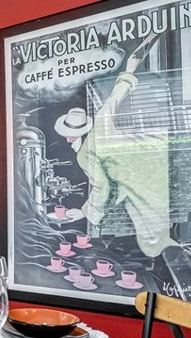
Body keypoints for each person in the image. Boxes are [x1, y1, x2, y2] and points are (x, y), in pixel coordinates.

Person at [56, 34, 177, 258]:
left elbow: (103, 188)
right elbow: (115, 96)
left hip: (142, 177)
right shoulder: (100, 120)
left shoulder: (84, 154)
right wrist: (131, 67)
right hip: (157, 154)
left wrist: (84, 213)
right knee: (156, 228)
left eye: (69, 136)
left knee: (151, 241)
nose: (67, 140)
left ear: (73, 136)